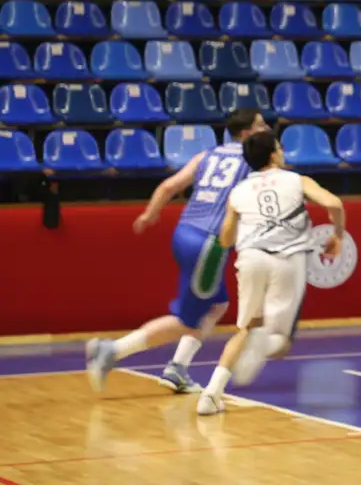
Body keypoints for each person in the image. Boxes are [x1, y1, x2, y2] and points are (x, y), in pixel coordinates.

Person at [86, 108, 269, 394]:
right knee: (186, 319)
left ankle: (177, 369)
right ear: (247, 134)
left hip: (184, 233)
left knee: (216, 305)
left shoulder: (207, 155)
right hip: (209, 244)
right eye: (261, 126)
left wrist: (150, 215)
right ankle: (109, 351)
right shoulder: (254, 161)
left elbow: (169, 185)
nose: (267, 129)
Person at [197, 131, 345, 415]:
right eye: (279, 147)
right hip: (288, 260)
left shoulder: (238, 190)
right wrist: (337, 234)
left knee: (244, 329)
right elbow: (334, 204)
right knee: (281, 340)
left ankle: (210, 395)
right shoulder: (296, 180)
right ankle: (261, 345)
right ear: (274, 155)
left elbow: (226, 240)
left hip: (251, 258)